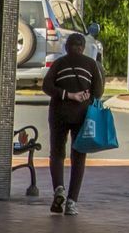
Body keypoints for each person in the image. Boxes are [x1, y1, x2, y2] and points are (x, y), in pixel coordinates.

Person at [41, 32, 103, 215]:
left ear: (66, 47)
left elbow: (47, 86)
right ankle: (71, 202)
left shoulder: (59, 64)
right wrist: (85, 96)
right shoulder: (91, 64)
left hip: (58, 113)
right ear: (83, 48)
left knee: (57, 153)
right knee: (78, 157)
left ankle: (58, 189)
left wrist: (66, 95)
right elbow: (98, 91)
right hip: (82, 114)